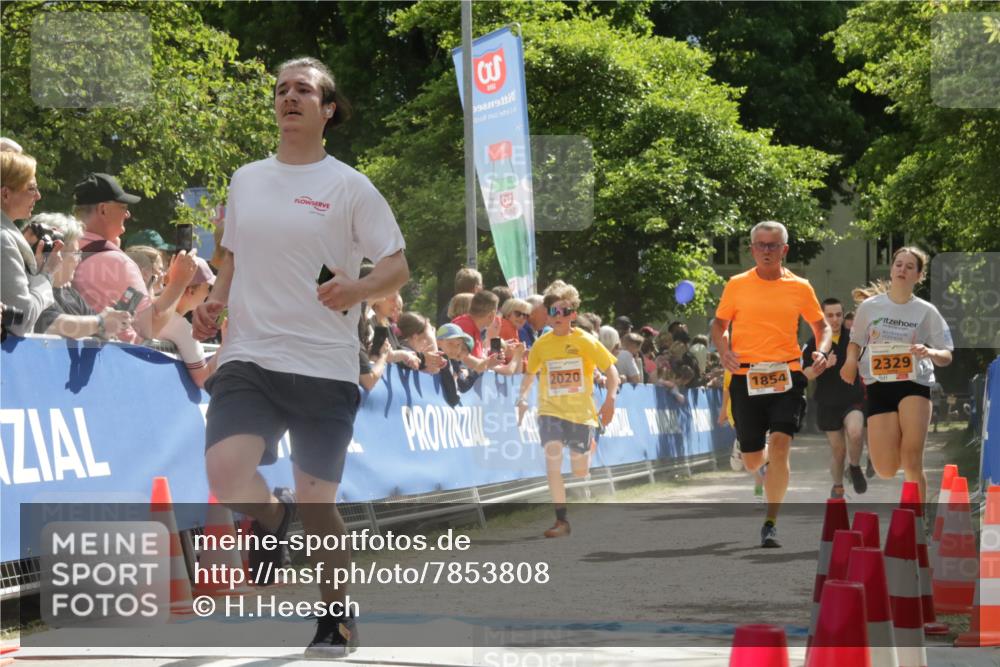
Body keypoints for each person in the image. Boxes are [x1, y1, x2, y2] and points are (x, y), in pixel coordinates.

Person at [192, 56, 408, 658]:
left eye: (304, 90)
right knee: (226, 474)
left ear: (327, 109)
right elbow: (231, 256)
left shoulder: (349, 185)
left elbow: (397, 265)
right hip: (250, 355)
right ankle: (272, 516)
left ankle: (336, 616)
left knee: (319, 505)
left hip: (324, 362)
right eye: (283, 89)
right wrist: (214, 300)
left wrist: (360, 289)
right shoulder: (246, 179)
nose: (290, 97)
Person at [711, 220, 830, 548]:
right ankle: (746, 447)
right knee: (753, 460)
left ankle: (770, 522)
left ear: (784, 250)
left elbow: (823, 327)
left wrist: (820, 351)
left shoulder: (800, 286)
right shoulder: (736, 284)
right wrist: (724, 351)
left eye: (773, 245)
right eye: (761, 245)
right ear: (752, 249)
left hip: (786, 375)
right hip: (745, 376)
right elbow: (718, 325)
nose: (766, 250)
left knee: (780, 445)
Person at [840, 247, 953, 503]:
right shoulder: (870, 307)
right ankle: (898, 441)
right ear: (891, 269)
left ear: (919, 275)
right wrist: (849, 362)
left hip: (914, 383)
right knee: (886, 469)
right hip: (879, 386)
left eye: (909, 266)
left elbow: (947, 355)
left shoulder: (927, 311)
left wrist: (929, 351)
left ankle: (918, 523)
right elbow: (855, 341)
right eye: (898, 264)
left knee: (912, 460)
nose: (902, 269)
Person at [516, 280, 620, 538]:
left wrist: (610, 398)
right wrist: (522, 397)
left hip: (581, 414)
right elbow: (530, 374)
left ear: (573, 314)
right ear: (548, 314)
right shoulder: (541, 344)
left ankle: (589, 447)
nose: (559, 316)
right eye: (554, 311)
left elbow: (611, 371)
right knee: (552, 461)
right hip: (550, 411)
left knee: (579, 471)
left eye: (565, 311)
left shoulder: (586, 341)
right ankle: (561, 521)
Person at [72, 172, 196, 342]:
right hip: (116, 361)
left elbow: (126, 306)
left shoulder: (61, 248)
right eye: (123, 207)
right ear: (103, 210)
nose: (128, 214)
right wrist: (179, 282)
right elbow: (151, 325)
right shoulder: (116, 262)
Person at [802, 297, 868, 498]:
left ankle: (855, 467)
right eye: (830, 315)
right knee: (839, 452)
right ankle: (838, 486)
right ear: (822, 317)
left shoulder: (855, 338)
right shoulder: (813, 342)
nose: (835, 319)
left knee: (856, 433)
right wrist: (822, 366)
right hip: (827, 403)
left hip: (852, 399)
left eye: (839, 314)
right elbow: (805, 374)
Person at [29, 213, 131, 340]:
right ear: (55, 251)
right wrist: (100, 322)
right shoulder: (32, 287)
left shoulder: (69, 294)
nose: (79, 258)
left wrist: (112, 324)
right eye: (76, 252)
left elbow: (93, 326)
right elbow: (50, 324)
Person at [1, 151, 61, 336]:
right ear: (5, 194)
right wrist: (46, 275)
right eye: (31, 189)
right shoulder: (3, 238)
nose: (39, 196)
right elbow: (21, 320)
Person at [157, 256, 219, 388]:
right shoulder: (181, 327)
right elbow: (204, 379)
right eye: (207, 288)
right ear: (191, 291)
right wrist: (227, 344)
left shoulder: (147, 305)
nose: (207, 294)